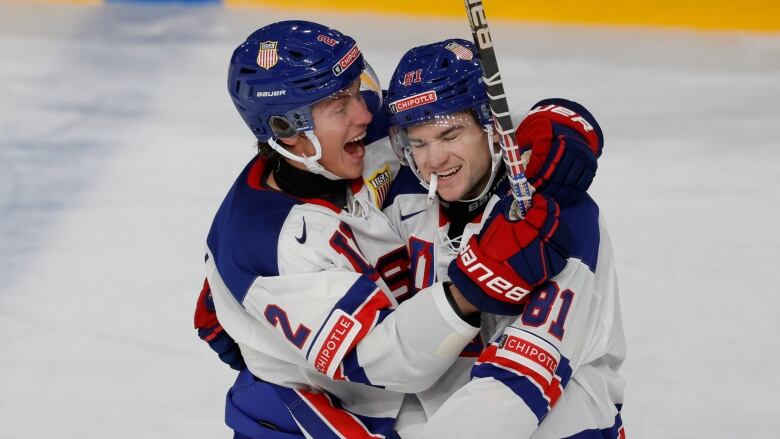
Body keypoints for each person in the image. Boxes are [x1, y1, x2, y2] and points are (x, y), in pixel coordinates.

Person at [198, 22, 569, 439]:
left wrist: (554, 128)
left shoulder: (350, 140)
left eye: (358, 88)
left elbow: (465, 122)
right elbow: (388, 362)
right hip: (317, 419)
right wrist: (475, 283)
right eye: (340, 105)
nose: (366, 113)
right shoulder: (272, 246)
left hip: (401, 404)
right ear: (287, 130)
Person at [381, 39, 626, 438]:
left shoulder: (559, 217)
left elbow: (515, 387)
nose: (434, 160)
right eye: (418, 143)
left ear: (492, 127)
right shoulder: (403, 200)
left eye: (450, 135)